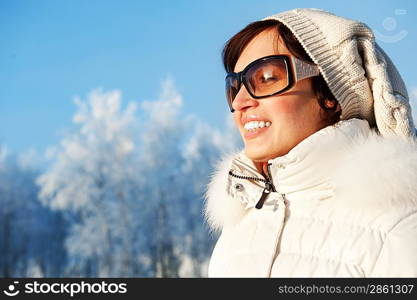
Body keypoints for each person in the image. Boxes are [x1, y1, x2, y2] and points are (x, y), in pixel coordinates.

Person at [204, 8, 417, 277]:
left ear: (329, 93)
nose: (239, 102)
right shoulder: (236, 235)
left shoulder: (398, 230)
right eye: (235, 86)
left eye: (267, 78)